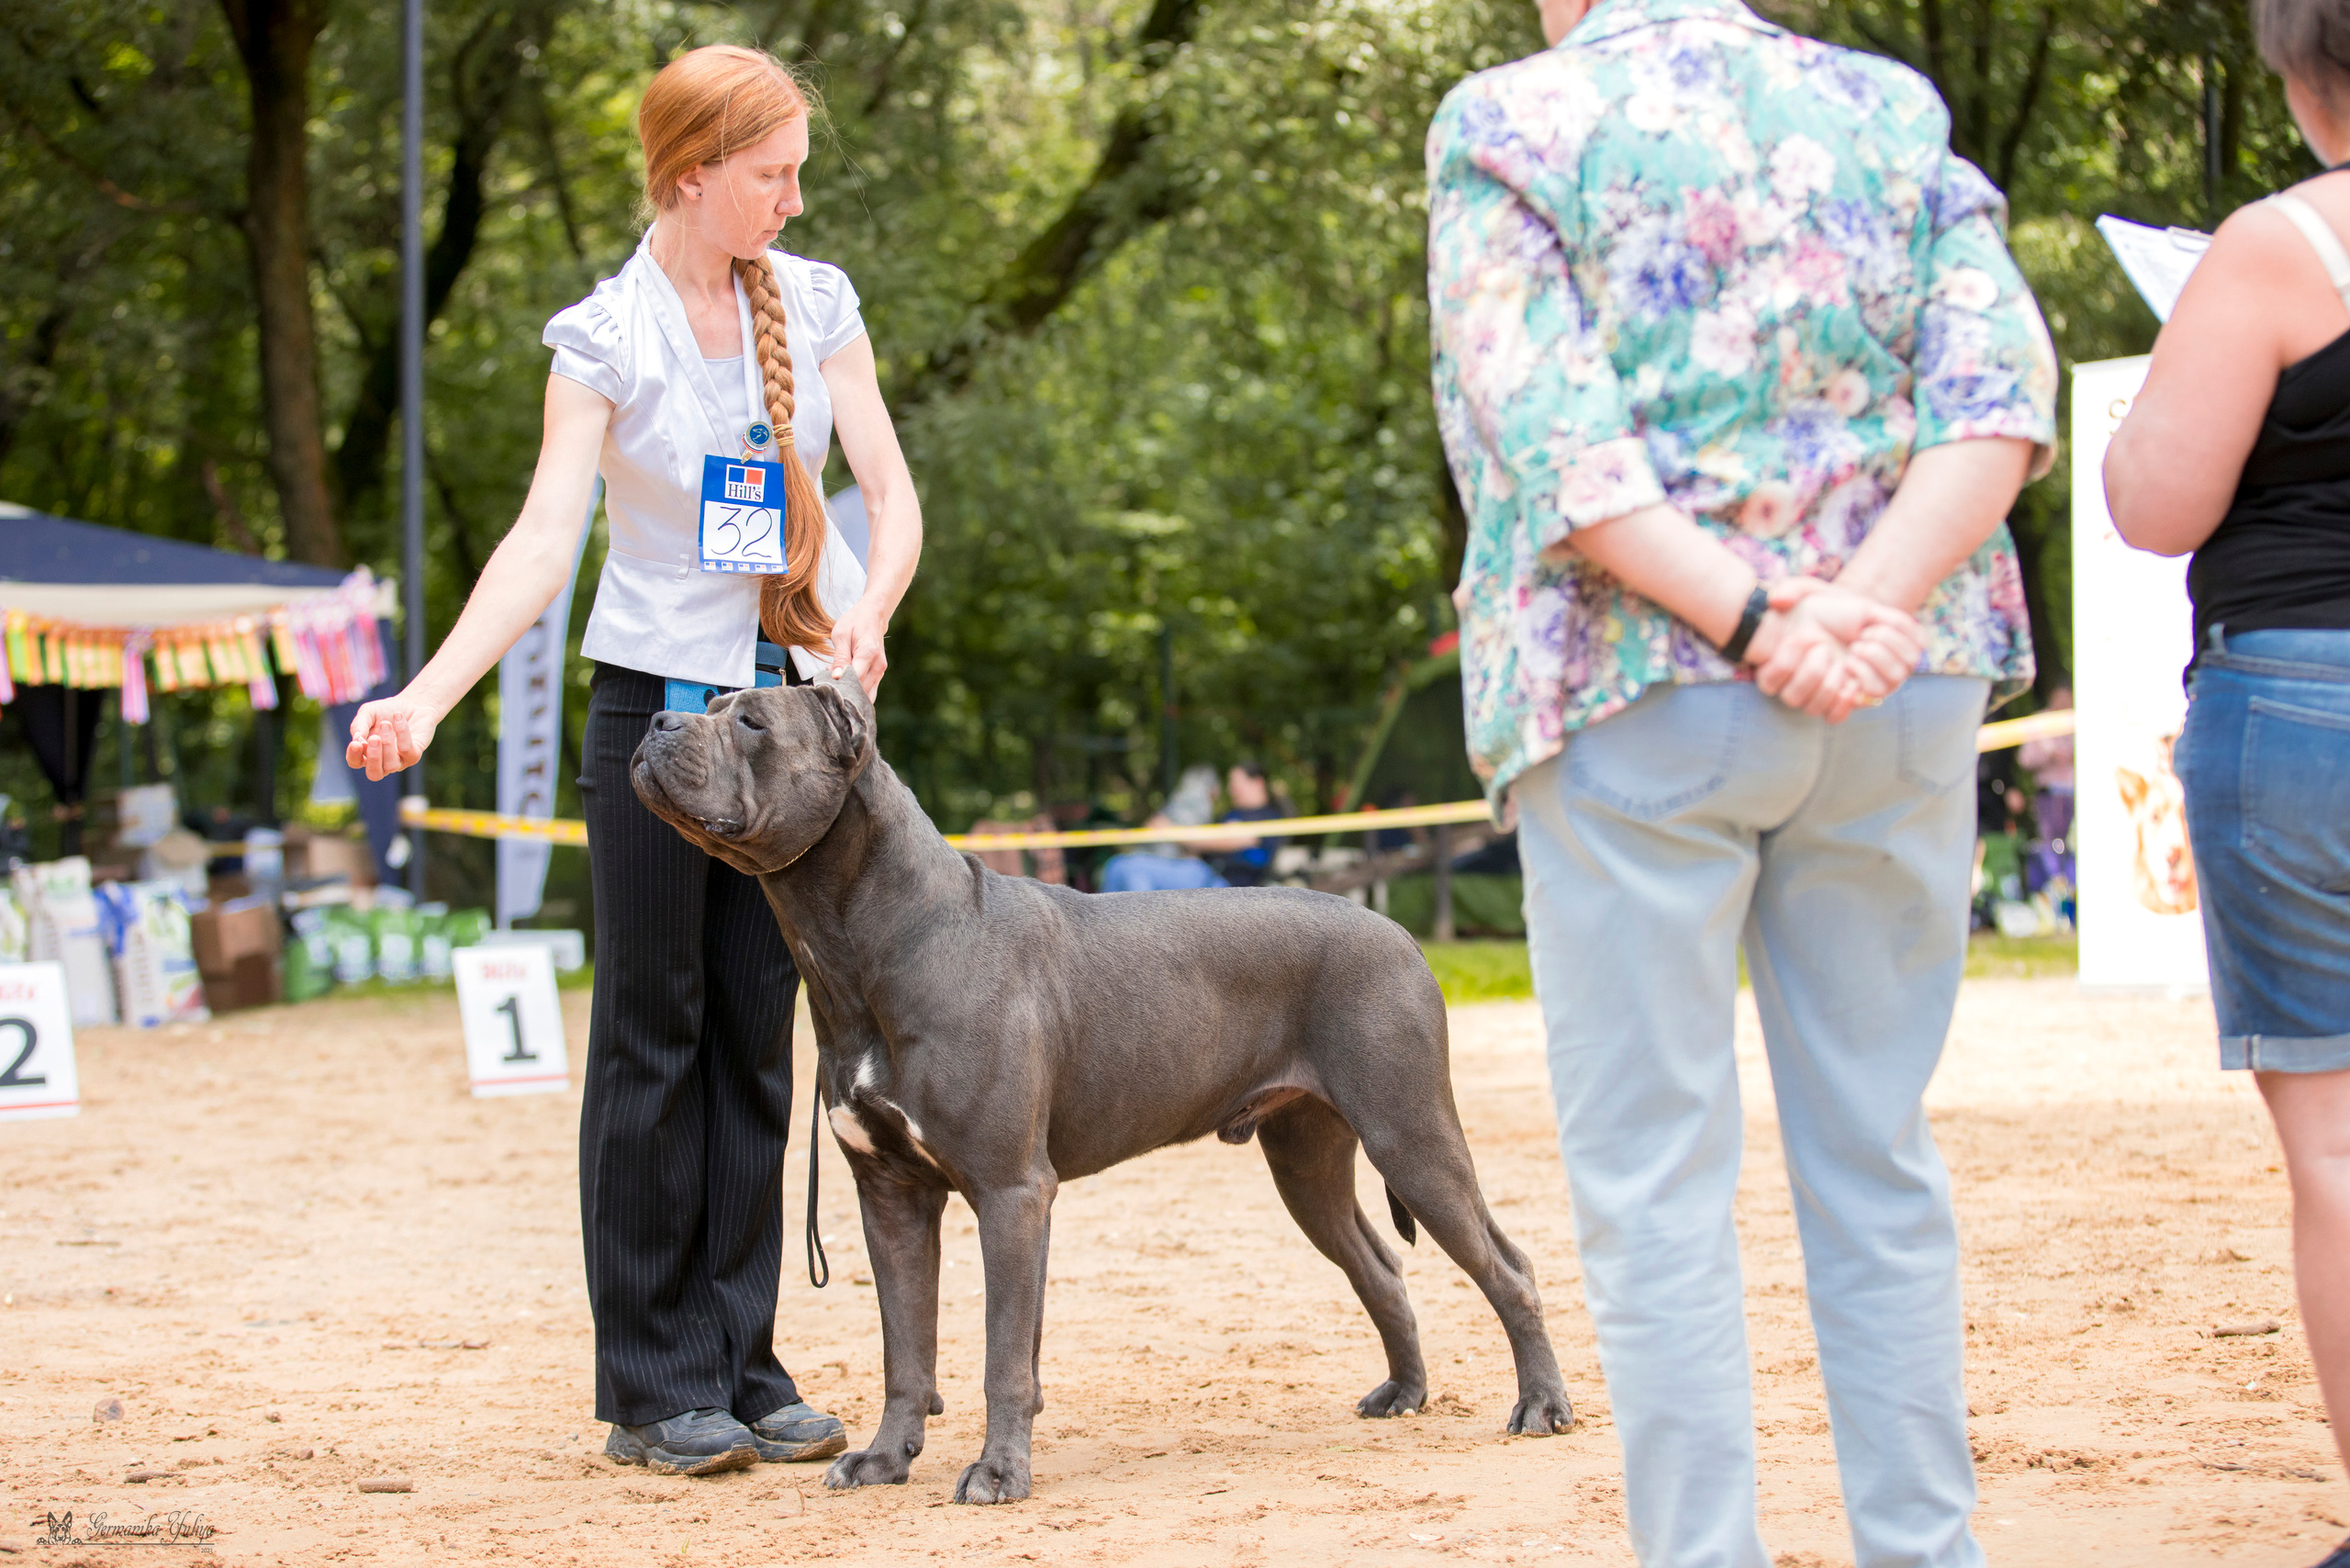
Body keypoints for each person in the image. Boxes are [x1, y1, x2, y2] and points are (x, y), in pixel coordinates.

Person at [1427, 0, 2057, 1559]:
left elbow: (1555, 440)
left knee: (1654, 1177)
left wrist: (1759, 618)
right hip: (1900, 684)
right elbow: (2001, 392)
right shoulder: (1889, 107)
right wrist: (1865, 609)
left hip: (1638, 679)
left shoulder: (1514, 119)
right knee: (1878, 1151)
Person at [344, 46, 923, 1478]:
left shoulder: (819, 300)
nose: (794, 196)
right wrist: (425, 692)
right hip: (662, 733)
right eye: (771, 174)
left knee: (755, 1037)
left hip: (792, 736)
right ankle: (654, 1383)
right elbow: (545, 540)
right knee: (651, 1043)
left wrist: (869, 612)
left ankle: (744, 1360)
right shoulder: (606, 335)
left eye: (798, 170)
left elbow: (893, 496)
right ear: (690, 178)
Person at [2105, 1, 2350, 1554]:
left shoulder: (2277, 246)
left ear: (2313, 69)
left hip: (2307, 704)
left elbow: (2156, 502)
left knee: (2336, 1138)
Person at [1195, 760, 1289, 886]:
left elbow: (1230, 840)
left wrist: (1179, 835)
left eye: (1235, 783)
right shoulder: (1230, 814)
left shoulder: (1269, 818)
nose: (1230, 789)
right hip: (1208, 876)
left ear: (1257, 782)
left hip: (1232, 886)